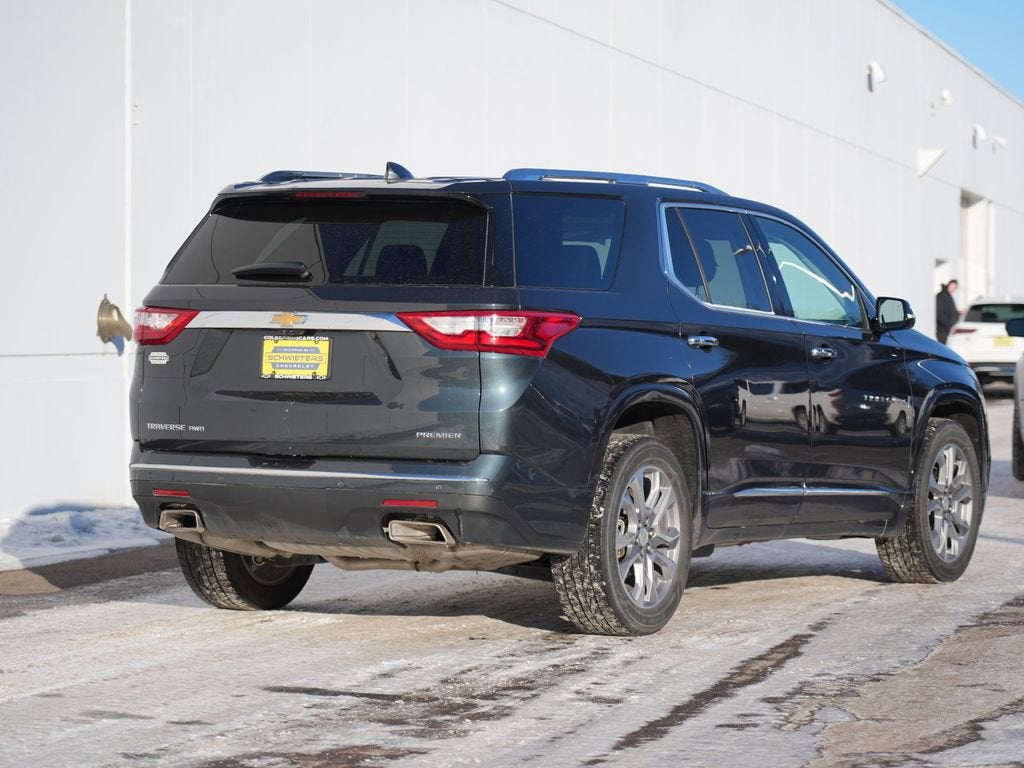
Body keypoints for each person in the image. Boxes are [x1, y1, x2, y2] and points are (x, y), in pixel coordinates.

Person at [936, 280, 960, 344]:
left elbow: (952, 310)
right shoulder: (940, 296)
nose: (953, 289)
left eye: (954, 288)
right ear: (948, 285)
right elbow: (939, 312)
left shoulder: (949, 296)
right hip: (942, 329)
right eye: (952, 287)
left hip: (949, 329)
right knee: (942, 346)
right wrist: (947, 324)